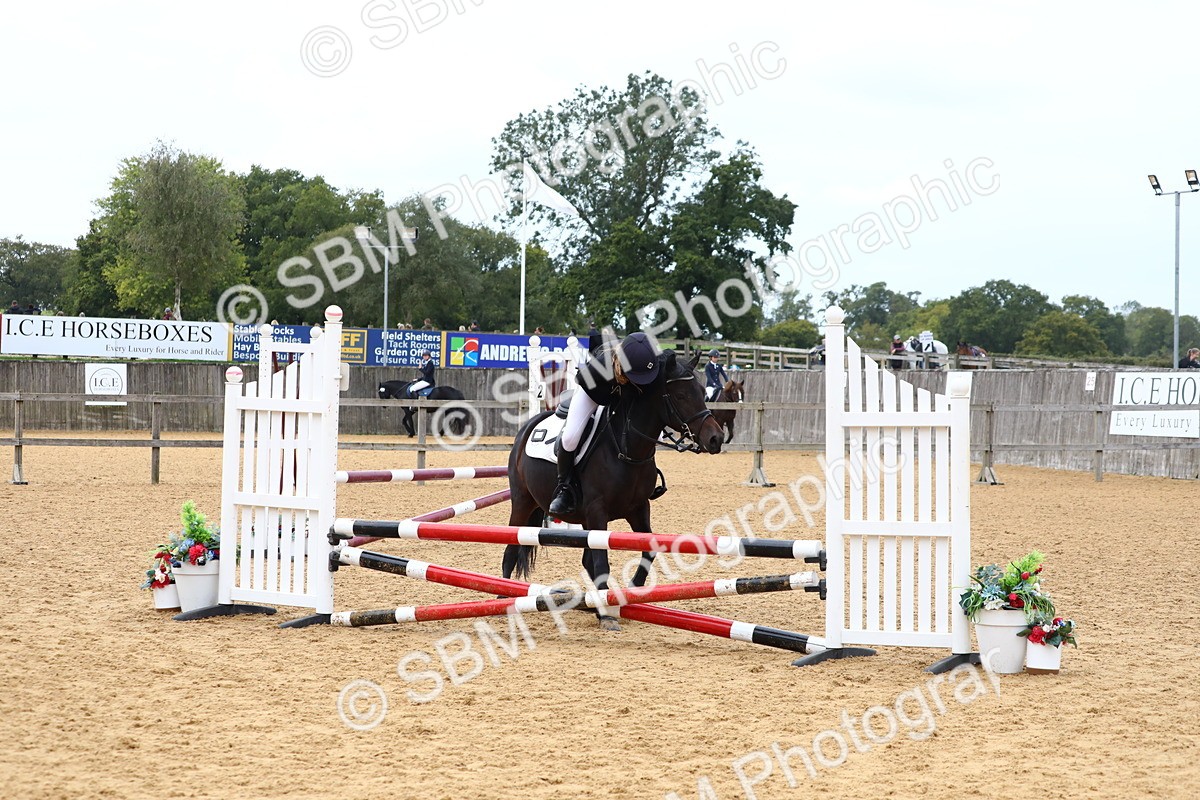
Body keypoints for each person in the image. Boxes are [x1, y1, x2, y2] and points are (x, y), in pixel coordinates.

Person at [548, 332, 662, 516]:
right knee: (570, 438)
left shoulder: (649, 361)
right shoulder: (600, 368)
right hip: (594, 393)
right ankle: (564, 488)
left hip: (623, 393)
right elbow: (597, 395)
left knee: (651, 433)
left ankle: (645, 479)